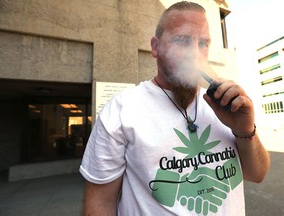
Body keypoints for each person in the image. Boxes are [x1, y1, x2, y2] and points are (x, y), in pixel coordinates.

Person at [80, 1, 270, 215]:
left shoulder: (225, 105)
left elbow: (257, 174)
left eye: (203, 43)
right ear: (155, 47)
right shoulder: (121, 111)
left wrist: (245, 131)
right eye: (182, 40)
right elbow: (100, 204)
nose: (194, 54)